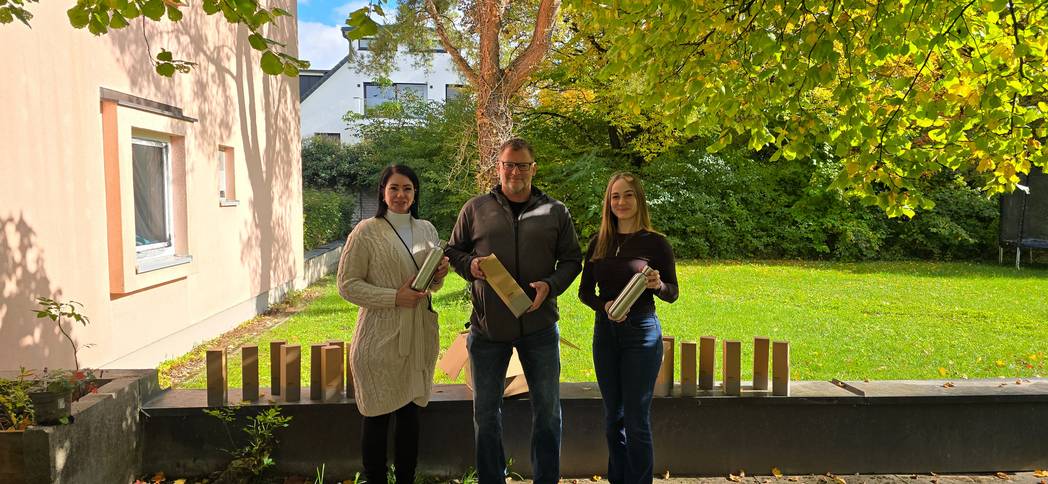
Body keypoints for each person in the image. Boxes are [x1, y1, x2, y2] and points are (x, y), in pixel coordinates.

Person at [446, 138, 583, 484]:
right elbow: (453, 251)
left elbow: (572, 260)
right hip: (488, 330)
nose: (515, 172)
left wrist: (550, 285)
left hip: (540, 328)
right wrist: (470, 266)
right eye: (509, 164)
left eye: (522, 165)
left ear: (533, 169)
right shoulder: (475, 209)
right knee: (486, 415)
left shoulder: (555, 211)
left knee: (548, 414)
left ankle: (546, 479)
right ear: (499, 168)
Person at [336, 164, 449, 484]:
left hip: (418, 338)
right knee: (376, 416)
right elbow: (347, 285)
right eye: (394, 188)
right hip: (379, 339)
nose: (401, 195)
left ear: (415, 194)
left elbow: (430, 286)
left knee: (410, 416)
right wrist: (394, 297)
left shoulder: (427, 229)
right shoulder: (366, 232)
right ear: (383, 193)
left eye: (407, 188)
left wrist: (438, 275)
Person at [578, 172, 678, 484]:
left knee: (636, 420)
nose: (621, 202)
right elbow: (585, 293)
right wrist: (604, 306)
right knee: (613, 419)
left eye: (628, 195)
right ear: (608, 202)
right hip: (605, 335)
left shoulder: (656, 243)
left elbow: (673, 293)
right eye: (615, 196)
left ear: (639, 200)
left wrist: (658, 284)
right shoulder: (598, 242)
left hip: (642, 335)